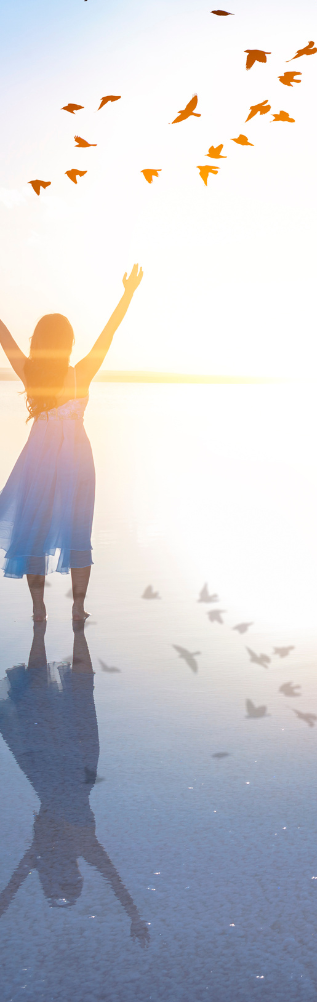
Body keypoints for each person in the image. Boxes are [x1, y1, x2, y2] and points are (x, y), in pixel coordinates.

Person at [0, 265, 143, 620]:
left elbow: (3, 335)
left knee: (32, 531)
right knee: (79, 531)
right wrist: (128, 293)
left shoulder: (31, 373)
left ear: (39, 343)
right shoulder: (82, 373)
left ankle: (38, 609)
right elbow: (108, 335)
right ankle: (78, 608)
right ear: (67, 344)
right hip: (78, 459)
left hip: (39, 458)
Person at [0, 622, 149, 945]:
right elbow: (115, 882)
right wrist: (134, 917)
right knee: (72, 695)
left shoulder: (45, 853)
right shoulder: (78, 848)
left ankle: (55, 629)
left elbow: (11, 887)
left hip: (59, 768)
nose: (72, 874)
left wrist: (135, 917)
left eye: (67, 879)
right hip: (66, 767)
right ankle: (71, 628)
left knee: (53, 696)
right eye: (74, 879)